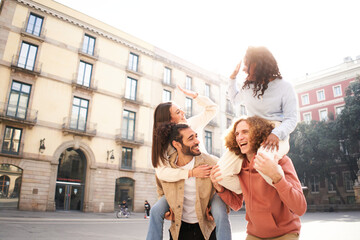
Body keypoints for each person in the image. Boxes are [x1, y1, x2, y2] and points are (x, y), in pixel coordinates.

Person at [147, 86, 231, 240]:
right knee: (155, 211)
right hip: (178, 190)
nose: (183, 113)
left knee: (219, 212)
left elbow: (212, 109)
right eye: (178, 112)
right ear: (169, 120)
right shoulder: (162, 145)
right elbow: (162, 174)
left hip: (205, 183)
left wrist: (196, 96)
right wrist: (190, 173)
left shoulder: (190, 124)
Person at [210, 116, 307, 240]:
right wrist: (220, 189)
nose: (240, 137)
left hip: (285, 233)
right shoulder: (239, 167)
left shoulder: (281, 161)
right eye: (237, 134)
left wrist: (277, 177)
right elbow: (236, 204)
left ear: (257, 133)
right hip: (254, 234)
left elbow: (300, 208)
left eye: (245, 132)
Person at [217, 46, 298, 194]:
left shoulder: (285, 87)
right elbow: (234, 99)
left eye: (247, 65)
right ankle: (251, 192)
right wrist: (232, 78)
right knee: (219, 174)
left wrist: (276, 134)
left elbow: (292, 118)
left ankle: (293, 194)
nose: (244, 69)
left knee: (263, 163)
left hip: (275, 131)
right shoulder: (248, 87)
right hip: (252, 131)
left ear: (259, 65)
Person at [155, 123, 217, 240]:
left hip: (206, 230)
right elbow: (160, 189)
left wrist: (215, 211)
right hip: (179, 230)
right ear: (176, 144)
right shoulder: (167, 168)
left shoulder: (209, 163)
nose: (197, 141)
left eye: (196, 136)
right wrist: (167, 209)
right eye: (191, 138)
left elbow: (223, 186)